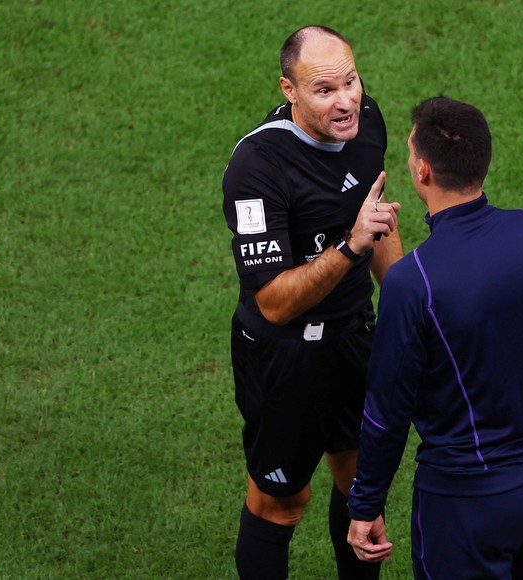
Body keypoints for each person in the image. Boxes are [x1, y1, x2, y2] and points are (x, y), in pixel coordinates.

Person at [346, 97, 523, 579]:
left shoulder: (414, 282)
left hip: (466, 503)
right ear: (484, 161)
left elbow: (387, 412)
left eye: (411, 153)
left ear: (423, 171)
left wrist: (366, 502)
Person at [221, 25, 403, 579]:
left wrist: (404, 303)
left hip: (354, 333)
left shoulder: (366, 121)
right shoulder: (257, 169)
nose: (346, 100)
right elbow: (274, 302)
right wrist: (351, 247)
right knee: (282, 502)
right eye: (324, 90)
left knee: (361, 488)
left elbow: (376, 215)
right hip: (285, 356)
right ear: (289, 90)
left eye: (350, 81)